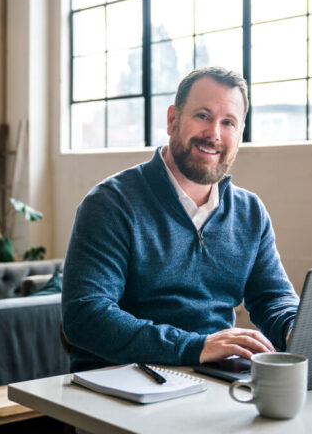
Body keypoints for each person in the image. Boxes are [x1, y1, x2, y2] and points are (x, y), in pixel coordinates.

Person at [62, 66, 299, 372]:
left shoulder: (249, 212)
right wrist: (195, 347)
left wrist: (295, 329)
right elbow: (86, 315)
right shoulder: (111, 203)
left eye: (228, 122)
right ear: (173, 119)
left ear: (239, 134)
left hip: (212, 377)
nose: (214, 133)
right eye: (202, 115)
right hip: (122, 382)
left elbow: (274, 297)